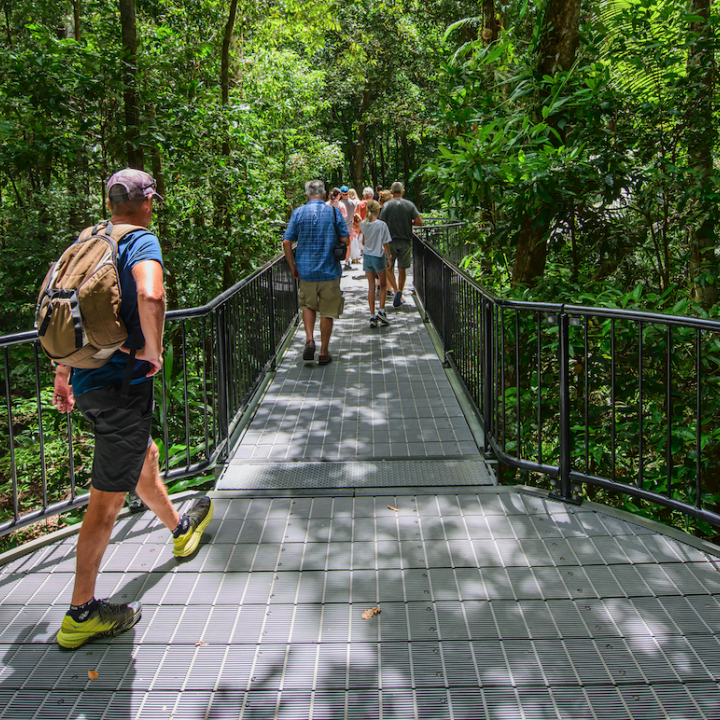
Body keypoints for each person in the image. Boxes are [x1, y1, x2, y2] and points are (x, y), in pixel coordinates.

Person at [52, 169, 214, 650]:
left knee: (141, 456)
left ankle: (181, 529)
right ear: (145, 201)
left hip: (86, 375)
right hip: (122, 385)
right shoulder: (141, 241)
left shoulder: (86, 240)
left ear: (109, 200)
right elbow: (150, 294)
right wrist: (155, 351)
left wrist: (62, 374)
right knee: (106, 500)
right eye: (152, 201)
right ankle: (81, 612)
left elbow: (63, 308)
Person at [283, 179, 349, 366]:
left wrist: (293, 266)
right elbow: (345, 240)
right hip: (329, 271)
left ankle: (310, 339)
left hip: (306, 271)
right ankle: (323, 352)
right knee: (327, 312)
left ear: (307, 195)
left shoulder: (298, 212)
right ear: (323, 193)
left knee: (307, 306)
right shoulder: (334, 212)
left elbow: (287, 242)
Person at [378, 181, 423, 308]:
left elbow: (381, 223)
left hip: (390, 241)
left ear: (391, 192)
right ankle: (401, 294)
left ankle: (396, 290)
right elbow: (420, 222)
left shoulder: (386, 206)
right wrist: (410, 222)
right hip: (406, 241)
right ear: (403, 191)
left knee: (388, 267)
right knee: (402, 268)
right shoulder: (409, 205)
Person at [361, 200, 392, 328]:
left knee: (371, 287)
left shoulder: (364, 223)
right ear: (377, 210)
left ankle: (372, 316)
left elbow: (363, 241)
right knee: (383, 285)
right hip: (378, 256)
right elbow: (386, 243)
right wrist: (388, 257)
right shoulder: (382, 225)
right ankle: (382, 311)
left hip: (367, 257)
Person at [338, 186, 356, 270]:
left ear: (341, 194)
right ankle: (346, 262)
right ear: (348, 193)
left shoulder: (339, 203)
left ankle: (339, 261)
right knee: (348, 245)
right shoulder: (352, 203)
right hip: (350, 227)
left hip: (340, 228)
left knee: (339, 245)